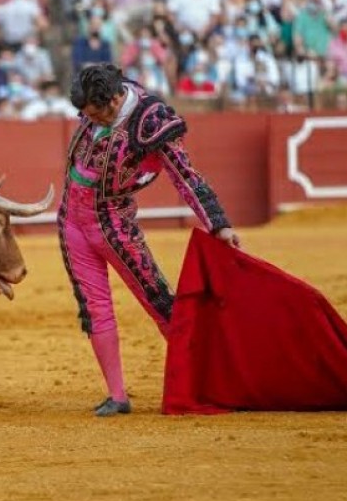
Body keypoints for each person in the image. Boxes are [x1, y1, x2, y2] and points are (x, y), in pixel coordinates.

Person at [58, 63, 240, 417]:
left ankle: (211, 384)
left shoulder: (152, 120)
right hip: (72, 220)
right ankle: (117, 395)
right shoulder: (95, 103)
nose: (89, 120)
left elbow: (185, 175)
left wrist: (218, 224)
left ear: (113, 100)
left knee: (159, 301)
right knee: (94, 306)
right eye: (85, 115)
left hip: (113, 223)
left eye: (94, 114)